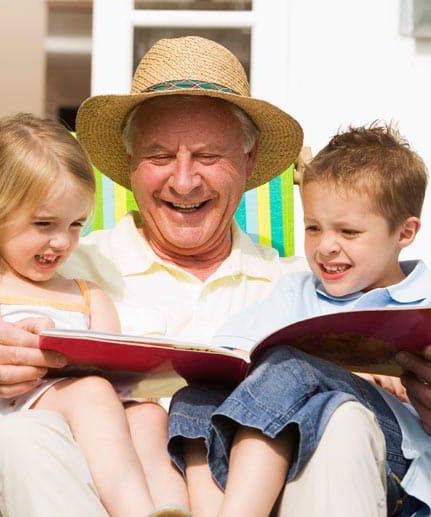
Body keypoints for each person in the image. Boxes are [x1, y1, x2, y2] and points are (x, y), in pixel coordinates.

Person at [0, 36, 425, 515]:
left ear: (249, 160)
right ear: (128, 163)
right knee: (21, 435)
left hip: (268, 496)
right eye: (159, 155)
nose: (184, 179)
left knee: (344, 420)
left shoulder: (304, 284)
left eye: (208, 155)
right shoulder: (58, 265)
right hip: (91, 493)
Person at [0, 112, 188, 517]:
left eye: (76, 224)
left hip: (94, 426)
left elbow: (113, 375)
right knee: (93, 392)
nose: (62, 241)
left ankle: (170, 509)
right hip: (7, 419)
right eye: (44, 223)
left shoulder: (89, 295)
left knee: (149, 416)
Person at [168, 122, 431, 516]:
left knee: (291, 367)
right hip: (292, 448)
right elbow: (231, 354)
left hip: (398, 464)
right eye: (313, 228)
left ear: (405, 232)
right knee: (196, 395)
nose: (326, 246)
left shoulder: (424, 300)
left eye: (348, 231)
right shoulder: (297, 292)